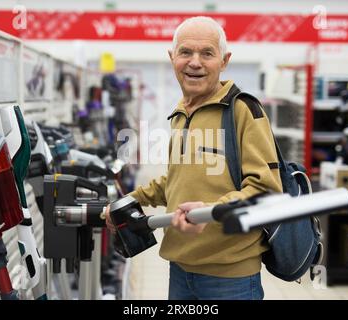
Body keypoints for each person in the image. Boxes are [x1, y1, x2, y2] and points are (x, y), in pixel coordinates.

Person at [106, 16, 282, 300]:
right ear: (172, 57)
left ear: (224, 61)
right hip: (180, 269)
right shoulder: (181, 113)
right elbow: (177, 179)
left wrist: (210, 211)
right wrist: (130, 201)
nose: (195, 62)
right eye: (186, 52)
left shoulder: (242, 111)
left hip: (230, 276)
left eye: (207, 53)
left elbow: (265, 190)